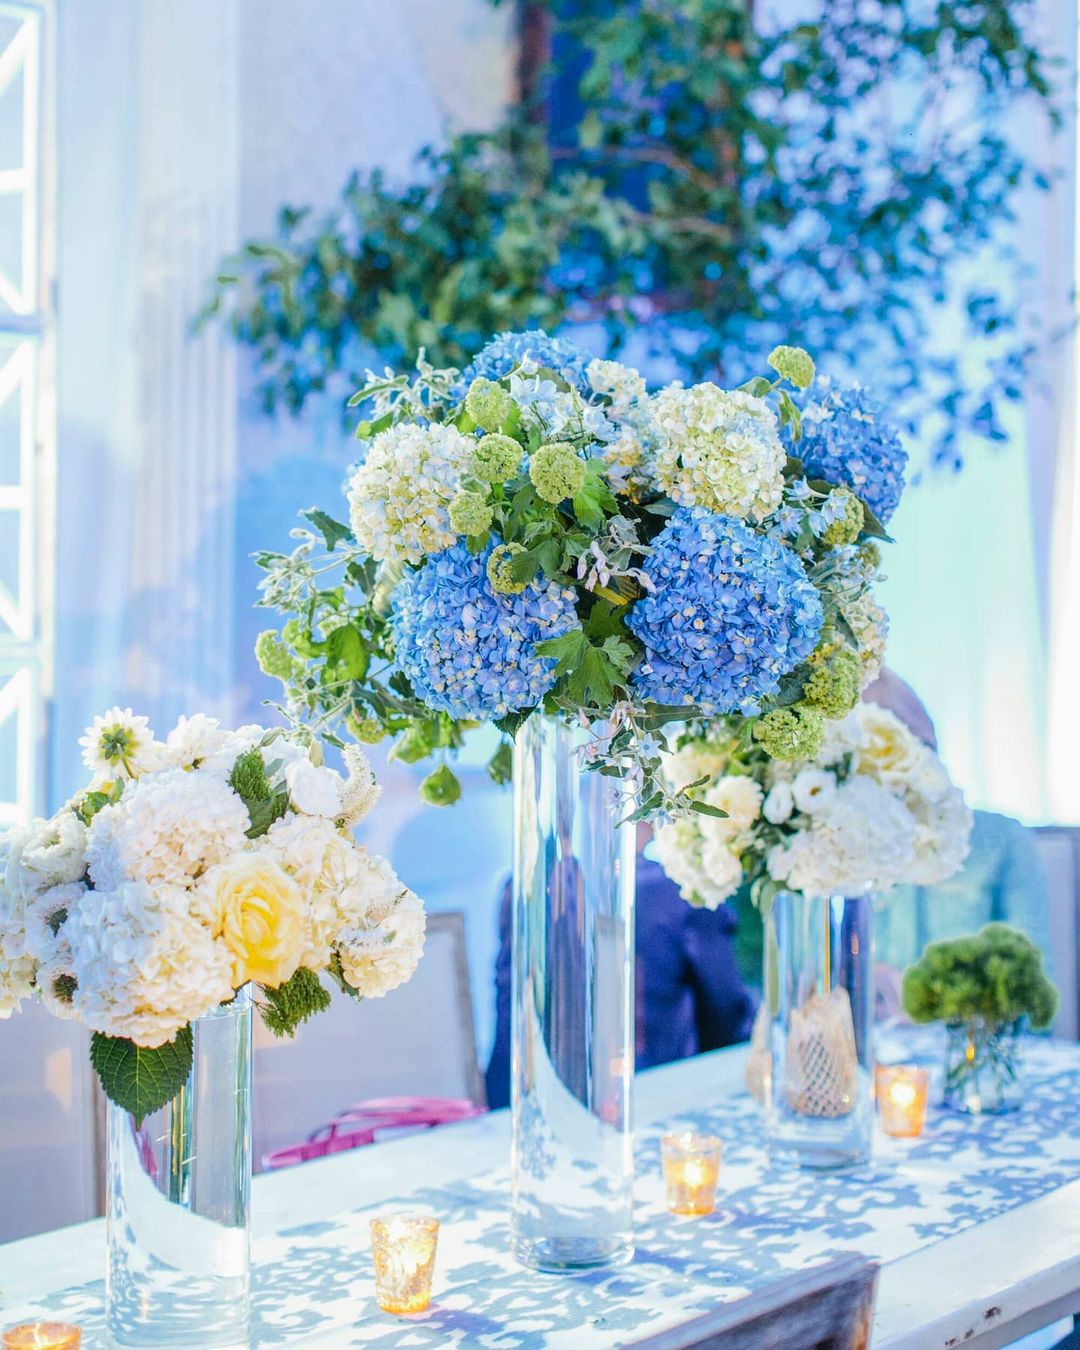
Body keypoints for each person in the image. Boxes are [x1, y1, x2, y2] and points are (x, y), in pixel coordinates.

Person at [484, 824, 756, 1109]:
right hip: (648, 1099)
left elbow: (509, 1012)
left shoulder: (521, 884)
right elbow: (727, 1016)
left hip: (519, 1100)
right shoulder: (679, 892)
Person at [864, 671, 1052, 1015]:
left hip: (966, 1046)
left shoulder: (1001, 840)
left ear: (927, 737)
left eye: (901, 736)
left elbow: (1035, 988)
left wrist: (928, 995)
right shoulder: (828, 847)